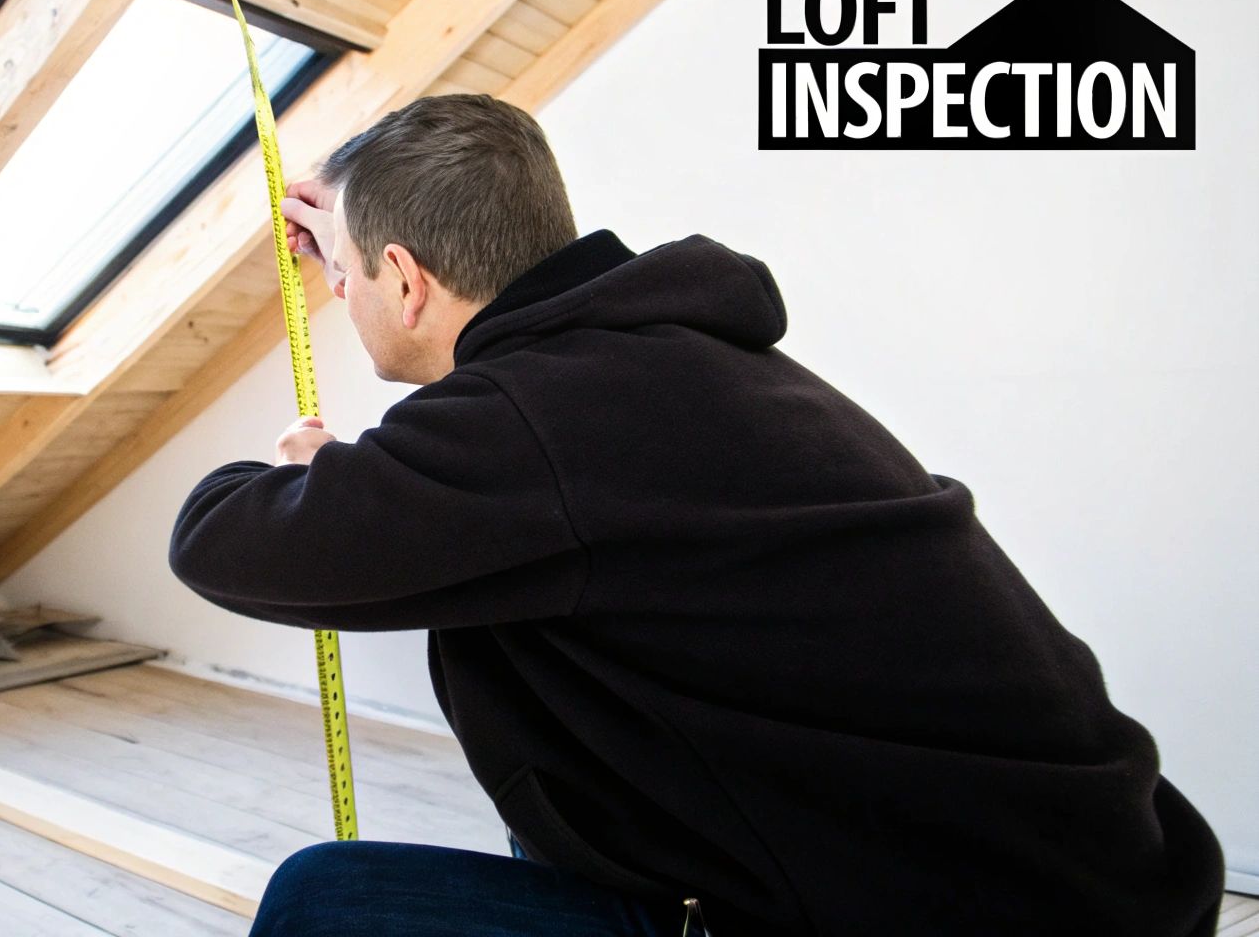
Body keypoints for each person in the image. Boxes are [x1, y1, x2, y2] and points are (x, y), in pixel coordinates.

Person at [166, 94, 1224, 936]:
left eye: (342, 274)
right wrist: (353, 225)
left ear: (403, 279)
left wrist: (312, 476)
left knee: (328, 903)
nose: (335, 297)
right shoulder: (667, 362)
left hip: (959, 914)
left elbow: (221, 540)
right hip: (1090, 872)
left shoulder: (530, 421)